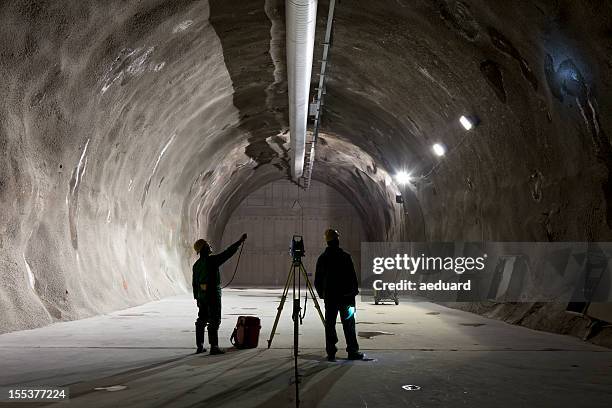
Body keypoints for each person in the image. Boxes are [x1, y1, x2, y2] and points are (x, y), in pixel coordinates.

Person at [314, 228, 365, 361]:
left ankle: (331, 352)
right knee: (349, 324)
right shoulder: (345, 256)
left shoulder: (323, 258)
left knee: (330, 324)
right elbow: (353, 278)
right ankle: (352, 351)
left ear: (327, 242)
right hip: (346, 298)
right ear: (337, 240)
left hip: (330, 298)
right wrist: (353, 293)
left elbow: (317, 280)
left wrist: (322, 294)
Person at [192, 233, 247, 355]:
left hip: (202, 297)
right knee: (214, 320)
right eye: (207, 245)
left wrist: (197, 299)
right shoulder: (212, 261)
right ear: (204, 249)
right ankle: (214, 347)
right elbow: (227, 253)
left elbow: (194, 284)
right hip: (213, 295)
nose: (210, 246)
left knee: (201, 319)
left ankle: (200, 346)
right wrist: (239, 242)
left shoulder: (196, 266)